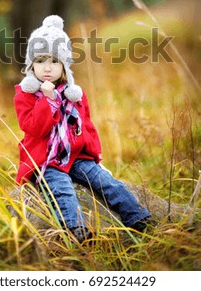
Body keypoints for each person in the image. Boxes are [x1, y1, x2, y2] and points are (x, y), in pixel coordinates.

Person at [13, 15, 151, 242]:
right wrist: (47, 100)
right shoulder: (25, 95)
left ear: (64, 66)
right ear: (31, 66)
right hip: (46, 160)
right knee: (61, 188)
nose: (47, 68)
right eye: (40, 61)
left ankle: (136, 217)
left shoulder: (73, 95)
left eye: (54, 62)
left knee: (105, 181)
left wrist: (95, 153)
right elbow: (35, 129)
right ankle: (75, 229)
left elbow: (86, 125)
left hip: (75, 155)